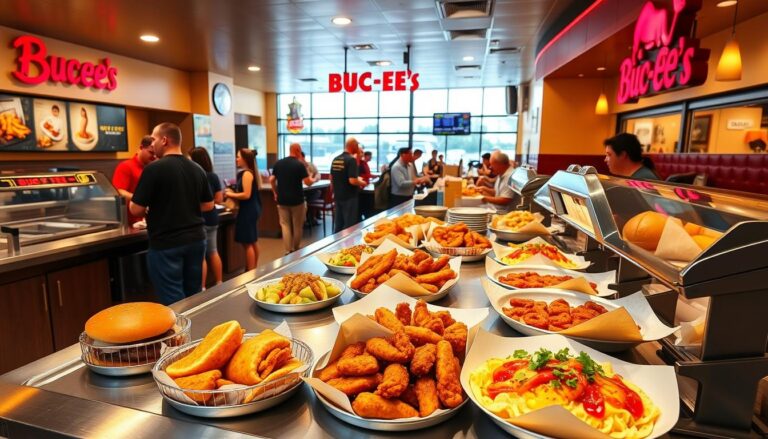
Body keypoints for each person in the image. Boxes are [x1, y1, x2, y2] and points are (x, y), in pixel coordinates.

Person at [129, 123, 214, 305]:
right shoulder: (197, 168)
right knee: (194, 294)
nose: (152, 145)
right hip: (196, 240)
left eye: (153, 139)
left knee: (173, 299)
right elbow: (209, 204)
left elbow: (135, 209)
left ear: (164, 140)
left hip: (167, 243)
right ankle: (196, 329)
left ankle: (180, 333)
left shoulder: (153, 169)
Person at [189, 147, 223, 286]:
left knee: (201, 256)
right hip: (213, 218)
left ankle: (202, 287)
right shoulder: (213, 176)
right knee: (213, 251)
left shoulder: (194, 176)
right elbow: (219, 199)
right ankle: (219, 282)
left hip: (199, 219)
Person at [271, 143, 314, 254]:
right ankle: (296, 248)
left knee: (285, 225)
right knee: (297, 225)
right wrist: (312, 177)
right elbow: (308, 183)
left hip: (282, 199)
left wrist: (275, 192)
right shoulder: (299, 165)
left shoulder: (279, 163)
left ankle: (287, 250)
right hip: (297, 199)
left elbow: (271, 179)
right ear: (298, 150)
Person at [225, 149, 262, 270]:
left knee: (247, 243)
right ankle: (254, 268)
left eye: (238, 157)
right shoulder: (250, 173)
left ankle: (250, 271)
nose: (236, 159)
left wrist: (231, 195)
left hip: (248, 210)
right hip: (252, 209)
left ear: (245, 159)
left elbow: (246, 194)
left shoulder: (247, 174)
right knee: (252, 240)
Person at [113, 135, 155, 225]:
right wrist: (141, 200)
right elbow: (119, 191)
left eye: (155, 153)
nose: (154, 156)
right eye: (151, 152)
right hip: (130, 222)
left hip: (148, 220)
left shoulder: (153, 168)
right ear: (141, 148)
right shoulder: (126, 166)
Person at [331, 137, 367, 232]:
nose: (358, 147)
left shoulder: (336, 159)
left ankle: (336, 245)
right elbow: (352, 180)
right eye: (357, 145)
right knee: (349, 225)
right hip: (349, 197)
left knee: (338, 224)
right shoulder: (351, 160)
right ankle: (347, 246)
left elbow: (331, 178)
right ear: (353, 146)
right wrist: (362, 182)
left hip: (338, 196)